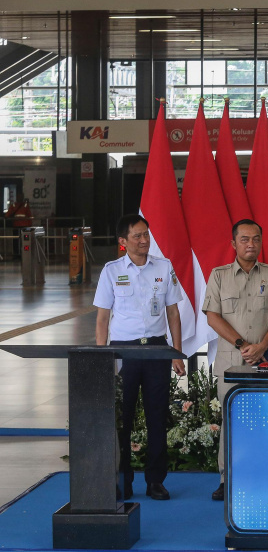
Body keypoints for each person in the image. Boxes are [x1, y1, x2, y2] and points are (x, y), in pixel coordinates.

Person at [93, 214, 186, 500]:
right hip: (124, 351)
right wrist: (102, 358)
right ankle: (123, 480)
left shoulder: (164, 267)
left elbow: (173, 313)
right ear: (123, 242)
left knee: (157, 416)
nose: (144, 240)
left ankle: (155, 481)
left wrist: (177, 353)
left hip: (157, 349)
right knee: (123, 417)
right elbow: (102, 319)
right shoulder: (111, 271)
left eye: (146, 234)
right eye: (137, 236)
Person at [202, 219, 268, 501]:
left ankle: (265, 475)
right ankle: (227, 479)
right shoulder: (218, 275)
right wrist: (243, 345)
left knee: (267, 421)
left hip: (266, 361)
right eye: (244, 239)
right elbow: (212, 316)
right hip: (232, 362)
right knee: (231, 422)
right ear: (233, 244)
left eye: (255, 239)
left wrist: (262, 346)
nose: (250, 244)